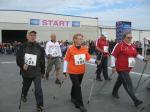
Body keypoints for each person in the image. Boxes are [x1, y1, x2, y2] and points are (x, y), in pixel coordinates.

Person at [63, 33, 99, 112]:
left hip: (81, 71)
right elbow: (66, 60)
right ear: (75, 40)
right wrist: (64, 71)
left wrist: (96, 61)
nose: (81, 40)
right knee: (78, 87)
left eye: (81, 39)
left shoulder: (84, 48)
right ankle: (80, 105)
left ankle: (72, 97)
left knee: (76, 85)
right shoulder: (70, 49)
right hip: (72, 71)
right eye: (79, 39)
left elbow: (88, 59)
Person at [111, 32, 148, 107]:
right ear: (124, 37)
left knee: (120, 81)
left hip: (128, 68)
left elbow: (136, 54)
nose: (130, 39)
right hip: (121, 68)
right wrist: (113, 66)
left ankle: (114, 92)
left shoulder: (132, 46)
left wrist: (143, 58)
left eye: (131, 37)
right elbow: (113, 55)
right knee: (128, 84)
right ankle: (135, 100)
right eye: (128, 37)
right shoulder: (119, 45)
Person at [16, 30, 45, 112]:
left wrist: (43, 71)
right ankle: (24, 95)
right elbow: (18, 58)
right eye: (31, 35)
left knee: (38, 89)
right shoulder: (23, 46)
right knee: (25, 87)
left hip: (37, 72)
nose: (33, 37)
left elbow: (42, 60)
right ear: (27, 36)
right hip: (26, 72)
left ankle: (40, 106)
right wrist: (22, 65)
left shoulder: (39, 47)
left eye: (34, 35)